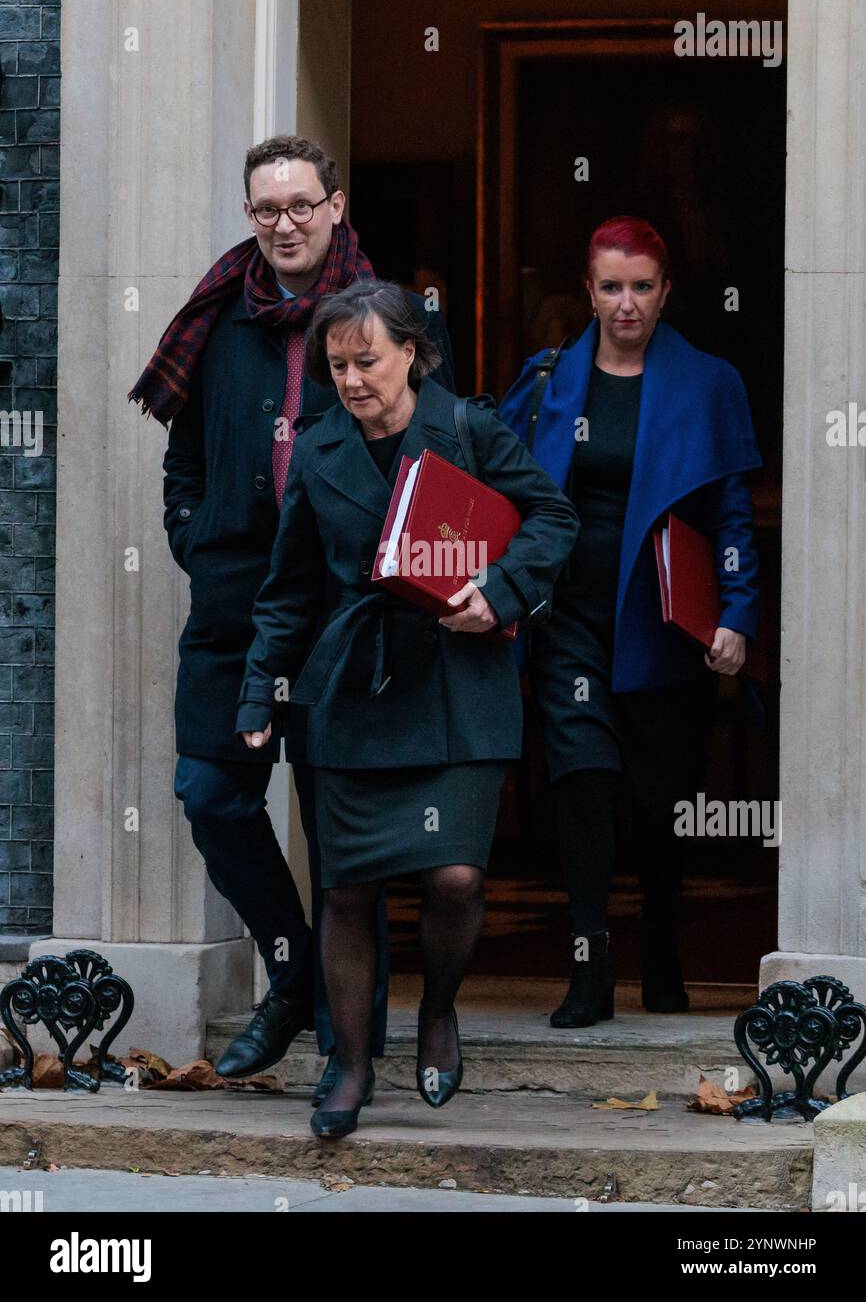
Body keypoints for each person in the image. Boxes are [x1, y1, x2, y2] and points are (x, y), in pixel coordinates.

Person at [127, 136, 456, 1103]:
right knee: (210, 792)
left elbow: (432, 450)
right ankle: (292, 970)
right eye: (266, 210)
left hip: (347, 612)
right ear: (250, 216)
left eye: (301, 206)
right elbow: (181, 454)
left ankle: (350, 1053)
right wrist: (194, 534)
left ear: (336, 206)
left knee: (344, 834)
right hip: (233, 606)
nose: (284, 224)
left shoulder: (381, 318)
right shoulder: (217, 317)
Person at [236, 280, 578, 1137]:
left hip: (460, 682)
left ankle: (440, 1010)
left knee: (455, 875)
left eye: (368, 361)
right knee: (347, 891)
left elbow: (553, 514)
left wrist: (499, 592)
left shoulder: (469, 428)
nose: (351, 380)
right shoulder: (317, 453)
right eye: (338, 365)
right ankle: (349, 1064)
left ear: (412, 354)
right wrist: (258, 689)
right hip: (353, 686)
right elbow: (288, 592)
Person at [499, 216, 761, 1026]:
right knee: (582, 783)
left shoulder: (708, 382)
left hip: (663, 622)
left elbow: (731, 515)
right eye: (610, 287)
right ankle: (590, 967)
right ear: (588, 290)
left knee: (656, 801)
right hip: (570, 615)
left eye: (641, 286)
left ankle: (664, 953)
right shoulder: (549, 382)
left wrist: (738, 613)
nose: (625, 304)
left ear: (665, 291)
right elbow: (499, 493)